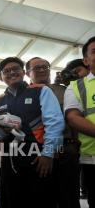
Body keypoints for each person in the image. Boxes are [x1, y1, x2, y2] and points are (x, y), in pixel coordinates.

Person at [0, 57, 64, 208]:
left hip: (37, 156)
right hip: (9, 158)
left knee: (40, 199)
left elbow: (54, 122)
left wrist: (48, 153)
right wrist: (1, 129)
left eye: (15, 69)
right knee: (12, 199)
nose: (11, 73)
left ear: (24, 72)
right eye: (6, 71)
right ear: (1, 77)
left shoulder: (41, 90)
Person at [26, 57, 80, 208]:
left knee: (68, 198)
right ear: (27, 73)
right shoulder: (24, 94)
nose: (42, 70)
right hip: (36, 154)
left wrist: (75, 145)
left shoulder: (64, 90)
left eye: (45, 67)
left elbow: (74, 118)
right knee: (41, 198)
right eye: (37, 68)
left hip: (65, 152)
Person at [64, 36, 95, 208]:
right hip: (92, 158)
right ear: (86, 60)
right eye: (94, 51)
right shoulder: (76, 86)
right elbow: (73, 118)